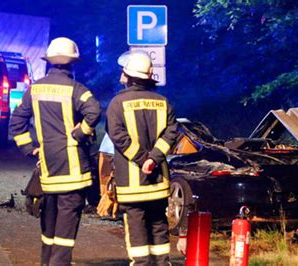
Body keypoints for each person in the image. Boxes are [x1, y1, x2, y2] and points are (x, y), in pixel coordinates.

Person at [10, 37, 101, 265]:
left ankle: (46, 262)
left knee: (48, 224)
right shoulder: (77, 89)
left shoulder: (35, 89)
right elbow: (94, 112)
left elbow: (17, 122)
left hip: (48, 169)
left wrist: (30, 149)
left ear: (49, 61)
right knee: (66, 228)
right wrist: (80, 134)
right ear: (73, 63)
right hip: (73, 172)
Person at [106, 51, 178, 265]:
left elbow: (118, 137)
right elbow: (171, 133)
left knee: (137, 231)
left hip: (132, 184)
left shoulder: (117, 103)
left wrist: (141, 159)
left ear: (128, 76)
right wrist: (154, 158)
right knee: (159, 226)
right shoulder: (164, 102)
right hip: (158, 183)